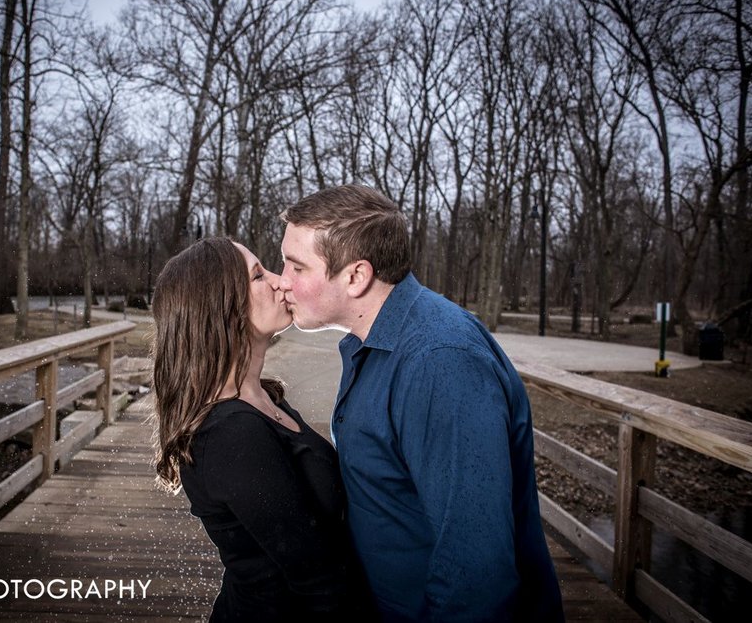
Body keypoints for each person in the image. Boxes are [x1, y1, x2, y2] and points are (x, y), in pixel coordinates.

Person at [279, 185, 564, 622]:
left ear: (356, 276)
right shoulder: (371, 342)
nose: (284, 280)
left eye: (297, 266)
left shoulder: (440, 362)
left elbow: (476, 564)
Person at [151, 236, 374, 622]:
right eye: (258, 275)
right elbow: (317, 581)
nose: (281, 281)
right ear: (219, 307)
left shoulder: (263, 398)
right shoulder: (229, 435)